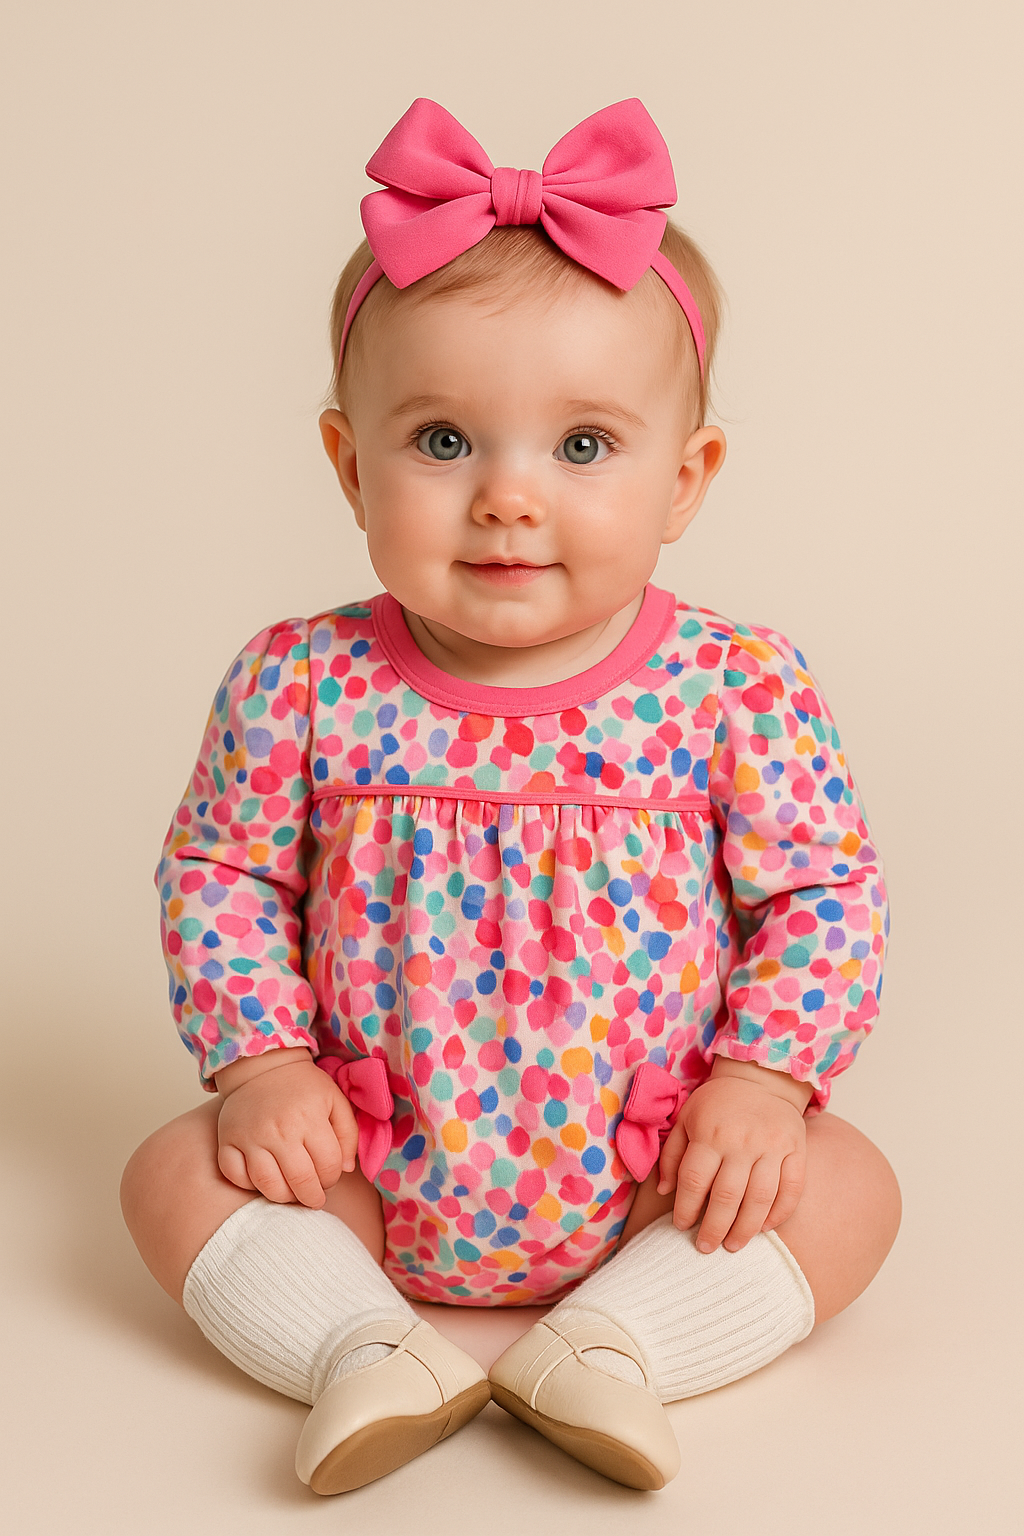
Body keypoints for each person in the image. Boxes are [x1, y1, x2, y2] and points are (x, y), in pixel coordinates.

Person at [120, 97, 901, 1496]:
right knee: (165, 1178)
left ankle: (612, 1348)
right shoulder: (302, 682)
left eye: (585, 447)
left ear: (687, 478)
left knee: (854, 1193)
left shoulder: (734, 687)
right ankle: (362, 1345)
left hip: (661, 1171)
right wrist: (262, 1066)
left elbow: (822, 895)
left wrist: (765, 1087)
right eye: (441, 444)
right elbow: (221, 875)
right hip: (361, 1162)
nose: (508, 500)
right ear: (349, 466)